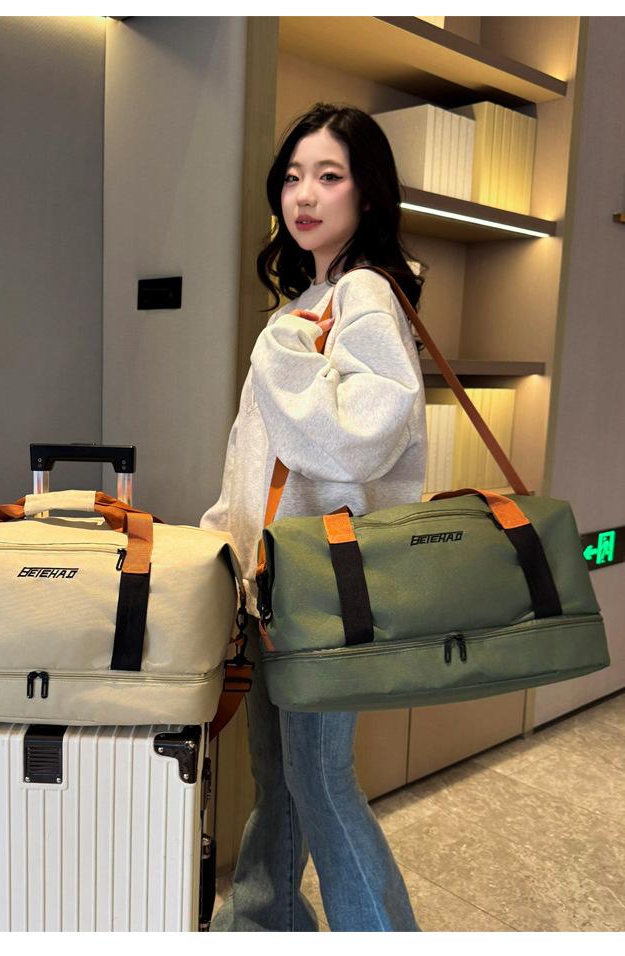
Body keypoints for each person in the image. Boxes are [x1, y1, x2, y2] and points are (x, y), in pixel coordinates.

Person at [200, 102, 427, 932]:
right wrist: (224, 554)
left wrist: (278, 350)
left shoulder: (363, 293)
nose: (304, 195)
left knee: (322, 782)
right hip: (277, 584)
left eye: (329, 176)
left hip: (324, 587)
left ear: (367, 192)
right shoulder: (311, 301)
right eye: (294, 176)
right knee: (283, 777)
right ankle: (262, 921)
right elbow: (256, 463)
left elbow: (359, 440)